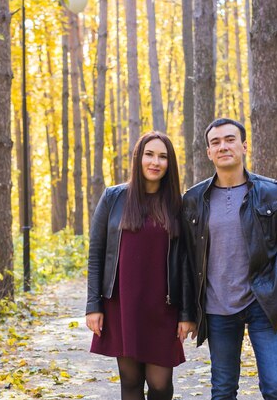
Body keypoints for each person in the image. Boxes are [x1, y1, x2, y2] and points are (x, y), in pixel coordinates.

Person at [180, 118, 277, 400]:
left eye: (229, 139)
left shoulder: (272, 192)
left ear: (244, 146)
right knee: (223, 390)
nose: (223, 146)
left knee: (276, 387)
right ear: (208, 152)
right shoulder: (193, 199)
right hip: (216, 308)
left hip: (263, 303)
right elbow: (185, 260)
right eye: (215, 142)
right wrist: (187, 311)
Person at [86, 131, 196, 400]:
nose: (155, 162)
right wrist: (93, 306)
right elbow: (97, 253)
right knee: (131, 382)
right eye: (149, 154)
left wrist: (186, 312)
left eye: (163, 156)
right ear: (138, 157)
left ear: (170, 164)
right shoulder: (114, 198)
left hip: (163, 307)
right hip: (122, 304)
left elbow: (185, 263)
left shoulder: (178, 205)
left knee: (160, 385)